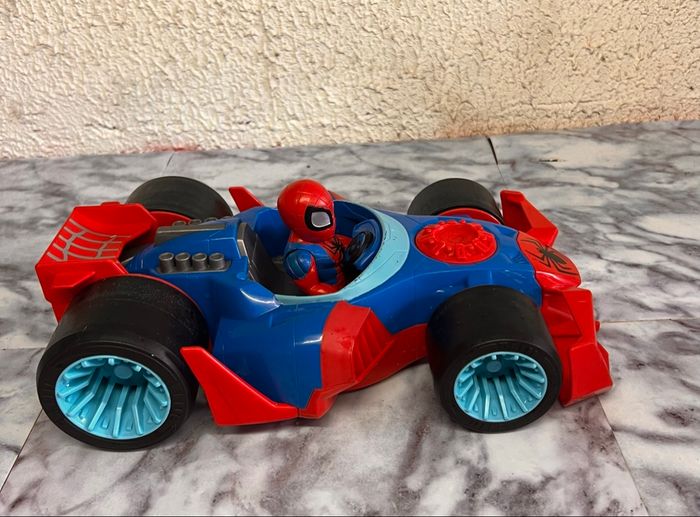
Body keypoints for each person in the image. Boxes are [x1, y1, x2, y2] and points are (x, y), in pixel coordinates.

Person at [277, 179, 351, 295]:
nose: (332, 221)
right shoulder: (300, 258)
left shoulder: (320, 236)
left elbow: (339, 242)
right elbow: (313, 288)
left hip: (349, 279)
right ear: (297, 221)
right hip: (336, 293)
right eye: (320, 218)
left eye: (330, 212)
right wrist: (342, 295)